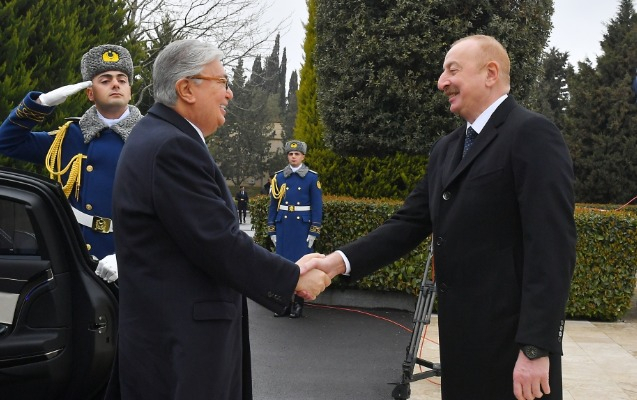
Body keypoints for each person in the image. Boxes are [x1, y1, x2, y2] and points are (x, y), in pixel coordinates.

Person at [308, 35, 576, 400]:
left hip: (512, 353)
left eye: (452, 70)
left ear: (490, 73)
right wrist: (336, 262)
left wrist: (535, 348)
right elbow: (406, 224)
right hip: (461, 345)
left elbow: (552, 247)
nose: (441, 82)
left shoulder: (531, 134)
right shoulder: (446, 150)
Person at [107, 39, 331, 400]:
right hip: (182, 345)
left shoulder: (162, 137)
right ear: (186, 89)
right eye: (222, 82)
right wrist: (291, 277)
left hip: (170, 337)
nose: (229, 94)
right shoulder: (171, 147)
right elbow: (217, 241)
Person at [0, 44, 141, 284]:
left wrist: (128, 255)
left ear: (129, 90)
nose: (115, 84)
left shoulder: (151, 138)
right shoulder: (68, 137)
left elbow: (168, 213)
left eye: (122, 79)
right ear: (89, 93)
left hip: (130, 260)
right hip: (74, 257)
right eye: (105, 80)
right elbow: (6, 142)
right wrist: (40, 103)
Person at [268, 140, 323, 318]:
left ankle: (298, 305)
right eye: (290, 154)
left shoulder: (311, 178)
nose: (293, 157)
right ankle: (283, 304)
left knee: (302, 268)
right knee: (282, 266)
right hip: (284, 225)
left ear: (303, 156)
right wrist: (272, 229)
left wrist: (314, 230)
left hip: (301, 228)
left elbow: (317, 206)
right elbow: (273, 205)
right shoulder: (279, 177)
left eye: (297, 154)